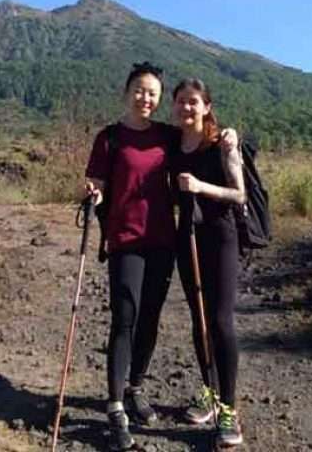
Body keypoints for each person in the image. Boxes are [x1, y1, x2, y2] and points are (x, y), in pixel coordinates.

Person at [84, 62, 179, 451]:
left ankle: (136, 384)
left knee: (151, 318)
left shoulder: (168, 138)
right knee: (125, 317)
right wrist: (95, 196)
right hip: (125, 239)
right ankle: (116, 404)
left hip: (162, 240)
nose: (145, 98)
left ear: (159, 100)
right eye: (139, 90)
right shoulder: (109, 139)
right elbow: (100, 184)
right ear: (126, 93)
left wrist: (226, 137)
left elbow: (199, 145)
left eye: (152, 93)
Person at [170, 77, 246, 447]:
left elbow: (238, 193)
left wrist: (201, 187)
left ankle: (229, 408)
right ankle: (210, 391)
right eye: (181, 101)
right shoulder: (172, 142)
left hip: (221, 238)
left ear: (207, 107)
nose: (187, 108)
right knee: (198, 317)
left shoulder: (221, 144)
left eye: (194, 102)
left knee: (220, 320)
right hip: (187, 239)